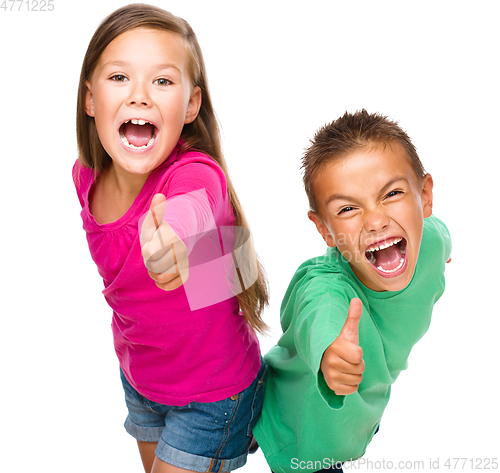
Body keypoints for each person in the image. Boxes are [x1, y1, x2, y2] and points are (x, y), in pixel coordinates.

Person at [72, 4, 268, 473]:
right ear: (90, 100)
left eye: (162, 81)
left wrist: (176, 239)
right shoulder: (85, 178)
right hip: (141, 380)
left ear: (191, 104)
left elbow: (192, 206)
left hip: (212, 393)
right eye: (119, 77)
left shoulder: (196, 173)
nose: (140, 96)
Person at [253, 110, 452, 473]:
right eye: (347, 208)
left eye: (391, 194)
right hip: (299, 426)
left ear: (424, 197)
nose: (375, 221)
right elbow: (320, 315)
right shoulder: (327, 290)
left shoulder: (433, 239)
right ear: (325, 229)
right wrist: (332, 353)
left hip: (360, 414)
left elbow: (440, 234)